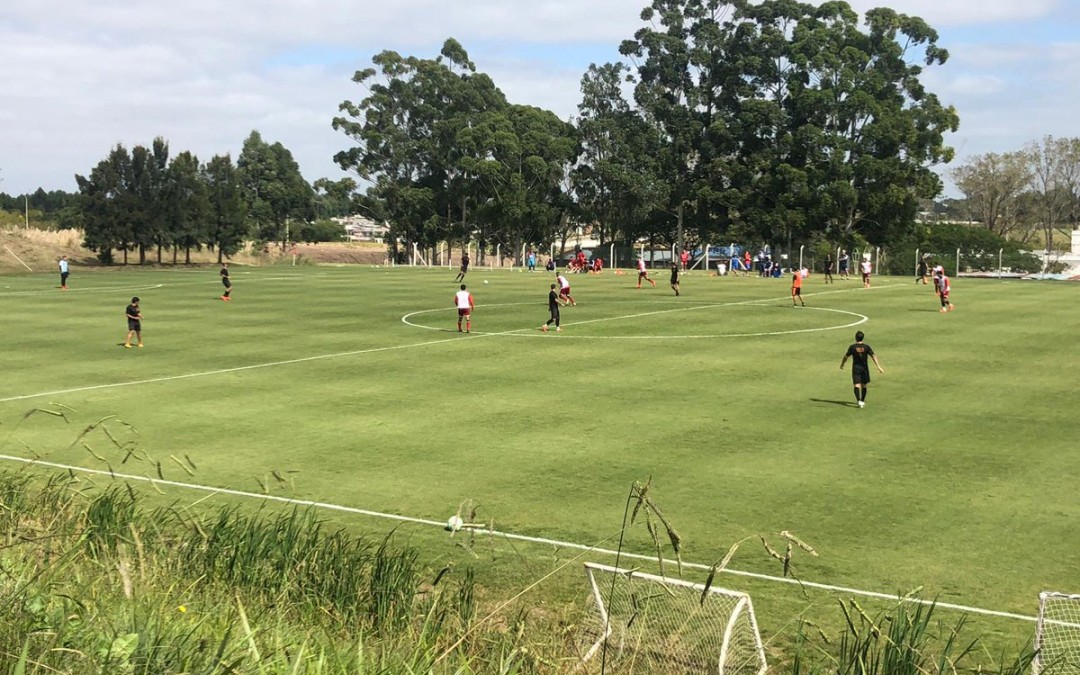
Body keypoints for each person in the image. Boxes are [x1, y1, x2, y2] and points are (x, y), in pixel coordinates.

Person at [840, 330, 883, 408]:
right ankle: (862, 400)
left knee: (856, 384)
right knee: (864, 385)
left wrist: (842, 364)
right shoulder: (866, 347)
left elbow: (846, 356)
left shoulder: (852, 347)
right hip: (864, 368)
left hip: (856, 368)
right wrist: (878, 366)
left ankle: (858, 401)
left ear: (856, 338)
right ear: (862, 338)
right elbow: (873, 356)